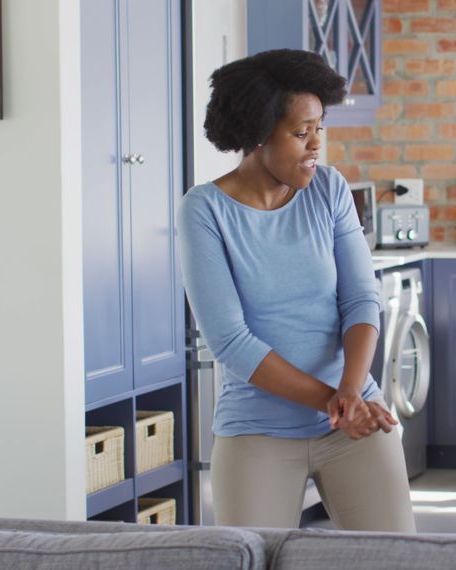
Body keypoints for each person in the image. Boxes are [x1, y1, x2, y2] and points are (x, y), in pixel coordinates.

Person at [178, 49, 415, 532]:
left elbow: (360, 300)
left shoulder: (328, 189)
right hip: (258, 432)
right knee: (249, 560)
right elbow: (230, 342)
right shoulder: (204, 210)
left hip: (356, 418)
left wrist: (351, 392)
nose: (315, 146)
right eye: (300, 132)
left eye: (319, 129)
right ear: (259, 132)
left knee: (398, 559)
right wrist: (335, 403)